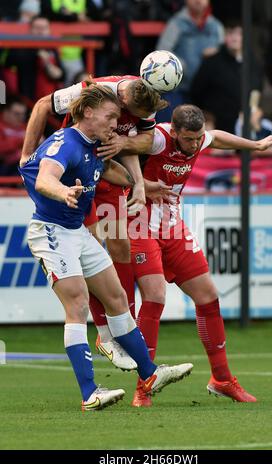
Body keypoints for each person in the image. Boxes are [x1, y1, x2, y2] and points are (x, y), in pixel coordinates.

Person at [19, 85, 193, 410]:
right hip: (52, 232)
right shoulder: (66, 143)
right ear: (87, 112)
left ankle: (150, 374)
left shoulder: (95, 144)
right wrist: (63, 193)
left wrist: (139, 184)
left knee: (116, 299)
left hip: (77, 233)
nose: (116, 124)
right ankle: (89, 394)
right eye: (111, 116)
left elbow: (105, 170)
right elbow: (45, 179)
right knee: (78, 304)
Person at [127, 104, 272, 407]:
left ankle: (222, 379)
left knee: (208, 296)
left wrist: (256, 145)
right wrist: (145, 185)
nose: (195, 145)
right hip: (139, 227)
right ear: (174, 131)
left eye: (198, 139)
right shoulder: (156, 138)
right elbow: (119, 158)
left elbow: (218, 137)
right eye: (188, 140)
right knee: (155, 297)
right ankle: (143, 386)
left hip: (173, 228)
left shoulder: (200, 138)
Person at [190, 19, 262, 133]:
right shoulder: (212, 62)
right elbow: (196, 92)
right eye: (230, 33)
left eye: (239, 34)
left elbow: (256, 90)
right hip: (217, 126)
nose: (234, 38)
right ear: (224, 37)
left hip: (245, 124)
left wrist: (253, 110)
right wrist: (206, 117)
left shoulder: (253, 63)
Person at [156, 0, 224, 121]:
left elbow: (225, 56)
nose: (198, 1)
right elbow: (162, 53)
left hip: (207, 93)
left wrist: (216, 55)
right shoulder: (176, 23)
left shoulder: (216, 26)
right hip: (180, 90)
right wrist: (182, 65)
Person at [0, 96, 27, 176]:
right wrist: (23, 140)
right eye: (16, 114)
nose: (21, 118)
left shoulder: (25, 127)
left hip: (21, 167)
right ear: (5, 112)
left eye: (23, 114)